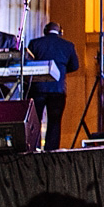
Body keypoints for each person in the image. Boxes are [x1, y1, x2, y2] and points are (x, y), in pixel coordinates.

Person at [27, 22, 80, 151]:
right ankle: (52, 150)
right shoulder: (68, 45)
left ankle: (34, 147)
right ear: (60, 32)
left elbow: (28, 64)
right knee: (55, 122)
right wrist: (60, 71)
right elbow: (75, 66)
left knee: (35, 121)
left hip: (37, 89)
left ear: (45, 31)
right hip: (57, 89)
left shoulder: (35, 43)